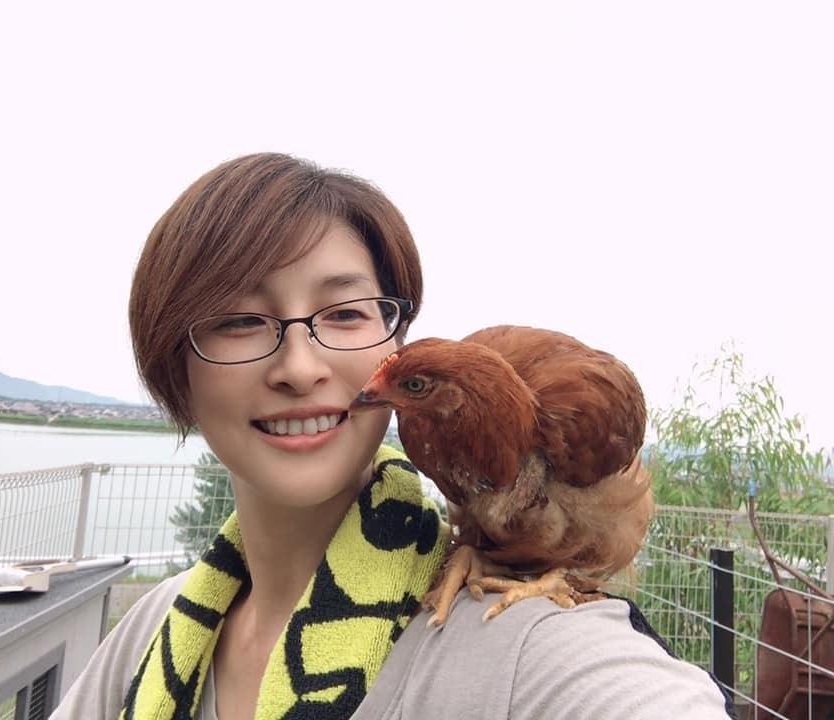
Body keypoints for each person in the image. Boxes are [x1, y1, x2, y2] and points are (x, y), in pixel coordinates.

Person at [50, 153, 736, 720]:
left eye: (345, 312)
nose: (300, 368)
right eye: (239, 321)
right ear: (175, 368)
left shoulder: (532, 656)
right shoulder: (148, 636)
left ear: (393, 340)